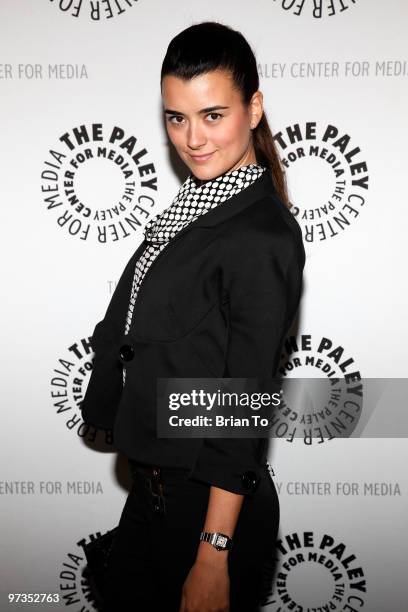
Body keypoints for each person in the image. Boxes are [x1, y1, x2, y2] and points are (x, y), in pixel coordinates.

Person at [81, 20, 305, 612]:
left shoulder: (258, 233)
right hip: (154, 493)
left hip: (208, 509)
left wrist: (212, 555)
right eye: (176, 118)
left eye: (213, 114)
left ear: (254, 108)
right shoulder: (195, 208)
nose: (193, 138)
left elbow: (243, 402)